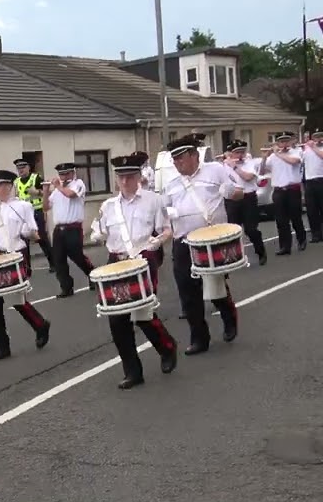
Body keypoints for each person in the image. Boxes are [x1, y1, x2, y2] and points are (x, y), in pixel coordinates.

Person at [89, 153, 179, 389]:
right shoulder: (108, 206)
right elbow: (99, 232)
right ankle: (132, 370)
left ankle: (167, 347)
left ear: (139, 176)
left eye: (130, 176)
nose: (125, 181)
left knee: (142, 311)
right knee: (117, 318)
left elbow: (166, 230)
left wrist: (156, 243)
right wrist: (96, 235)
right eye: (121, 177)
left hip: (143, 257)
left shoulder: (153, 200)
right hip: (116, 261)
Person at [161, 134, 241, 355]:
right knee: (187, 291)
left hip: (211, 239)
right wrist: (166, 217)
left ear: (194, 155)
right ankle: (199, 338)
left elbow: (239, 193)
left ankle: (228, 317)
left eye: (181, 158)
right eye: (174, 160)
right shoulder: (172, 184)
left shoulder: (215, 170)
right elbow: (163, 213)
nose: (177, 163)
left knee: (214, 287)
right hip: (184, 241)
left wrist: (230, 192)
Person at [0, 170, 52, 360]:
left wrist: (27, 231)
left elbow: (32, 229)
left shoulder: (23, 206)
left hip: (16, 254)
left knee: (17, 298)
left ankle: (40, 324)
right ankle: (2, 345)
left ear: (8, 186)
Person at [45, 161, 97, 297]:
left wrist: (57, 186)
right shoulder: (57, 190)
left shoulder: (78, 184)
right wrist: (45, 192)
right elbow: (46, 207)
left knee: (77, 255)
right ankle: (66, 287)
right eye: (61, 175)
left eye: (66, 174)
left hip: (73, 227)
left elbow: (70, 195)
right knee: (58, 259)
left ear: (73, 173)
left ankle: (93, 275)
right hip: (58, 229)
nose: (63, 177)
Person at [222, 140, 267, 266]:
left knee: (251, 229)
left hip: (248, 198)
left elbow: (248, 177)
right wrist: (225, 163)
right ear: (231, 153)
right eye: (237, 153)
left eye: (242, 152)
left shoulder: (249, 163)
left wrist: (234, 167)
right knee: (232, 231)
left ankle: (261, 252)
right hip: (232, 200)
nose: (240, 155)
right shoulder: (224, 165)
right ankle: (234, 257)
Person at [262, 133, 307, 254]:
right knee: (281, 221)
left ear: (291, 142)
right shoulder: (273, 157)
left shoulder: (296, 152)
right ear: (278, 143)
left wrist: (278, 153)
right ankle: (285, 246)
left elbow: (294, 162)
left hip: (292, 189)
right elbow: (262, 170)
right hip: (278, 191)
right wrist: (264, 157)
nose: (284, 144)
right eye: (282, 142)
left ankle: (301, 240)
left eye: (286, 141)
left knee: (296, 217)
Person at [12, 158, 56, 270]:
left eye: (23, 168)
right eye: (18, 168)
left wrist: (37, 192)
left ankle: (53, 263)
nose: (20, 170)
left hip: (36, 211)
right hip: (23, 214)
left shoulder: (35, 178)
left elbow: (49, 193)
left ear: (28, 168)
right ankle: (27, 267)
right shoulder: (16, 182)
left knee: (41, 238)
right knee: (24, 241)